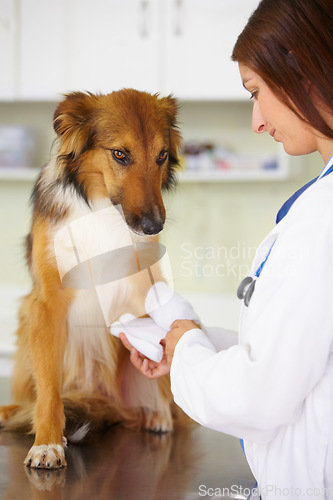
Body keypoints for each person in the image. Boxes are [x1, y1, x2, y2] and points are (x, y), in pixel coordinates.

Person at [118, 0, 333, 497]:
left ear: (302, 70)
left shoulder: (322, 220)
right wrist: (191, 343)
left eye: (256, 92)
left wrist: (187, 347)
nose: (257, 121)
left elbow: (260, 395)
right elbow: (305, 358)